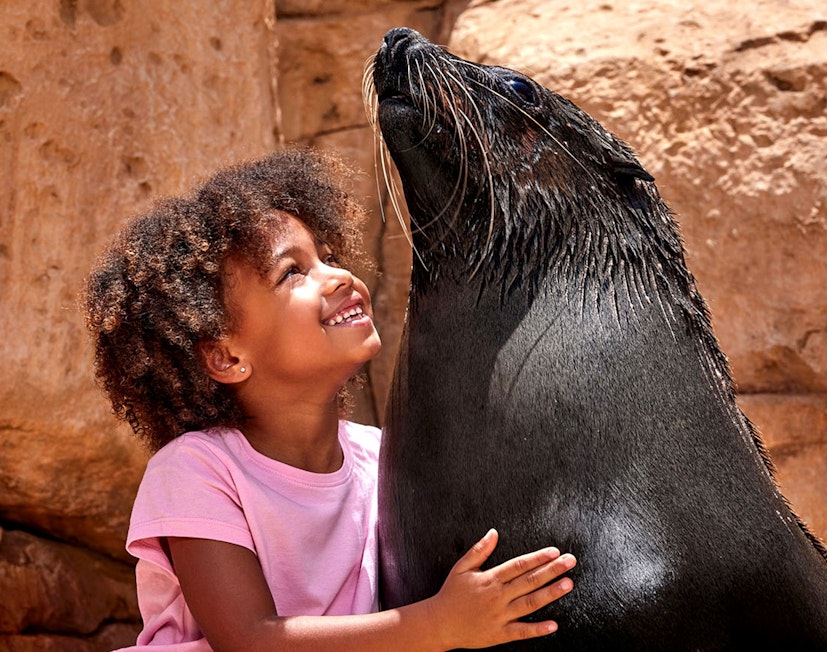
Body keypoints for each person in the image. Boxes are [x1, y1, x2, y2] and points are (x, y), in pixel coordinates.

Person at [83, 148, 576, 651]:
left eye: (327, 256)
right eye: (292, 272)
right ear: (227, 357)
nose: (337, 276)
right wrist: (437, 624)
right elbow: (249, 641)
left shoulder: (382, 457)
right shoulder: (196, 470)